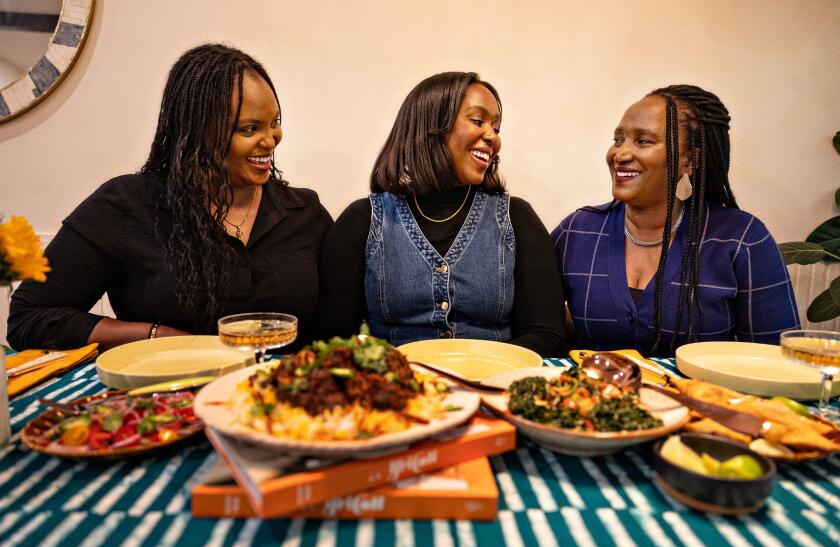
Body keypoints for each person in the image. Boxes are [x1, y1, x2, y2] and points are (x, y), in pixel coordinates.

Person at [8, 44, 332, 351]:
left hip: (284, 398)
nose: (270, 140)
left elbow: (334, 329)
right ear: (199, 131)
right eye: (249, 129)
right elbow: (30, 318)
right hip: (170, 397)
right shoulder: (125, 205)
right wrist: (157, 336)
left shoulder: (304, 213)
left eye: (274, 123)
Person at [315, 72, 565, 357]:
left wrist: (485, 371)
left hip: (492, 386)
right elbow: (332, 337)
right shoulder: (363, 220)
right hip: (399, 391)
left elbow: (546, 333)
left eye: (496, 127)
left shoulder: (516, 218)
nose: (492, 137)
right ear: (432, 125)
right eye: (478, 120)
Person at [551, 85, 799, 355]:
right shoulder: (578, 231)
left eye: (643, 141)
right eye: (618, 139)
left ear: (689, 160)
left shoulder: (742, 239)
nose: (620, 155)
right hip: (593, 395)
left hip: (700, 395)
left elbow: (778, 359)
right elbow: (539, 327)